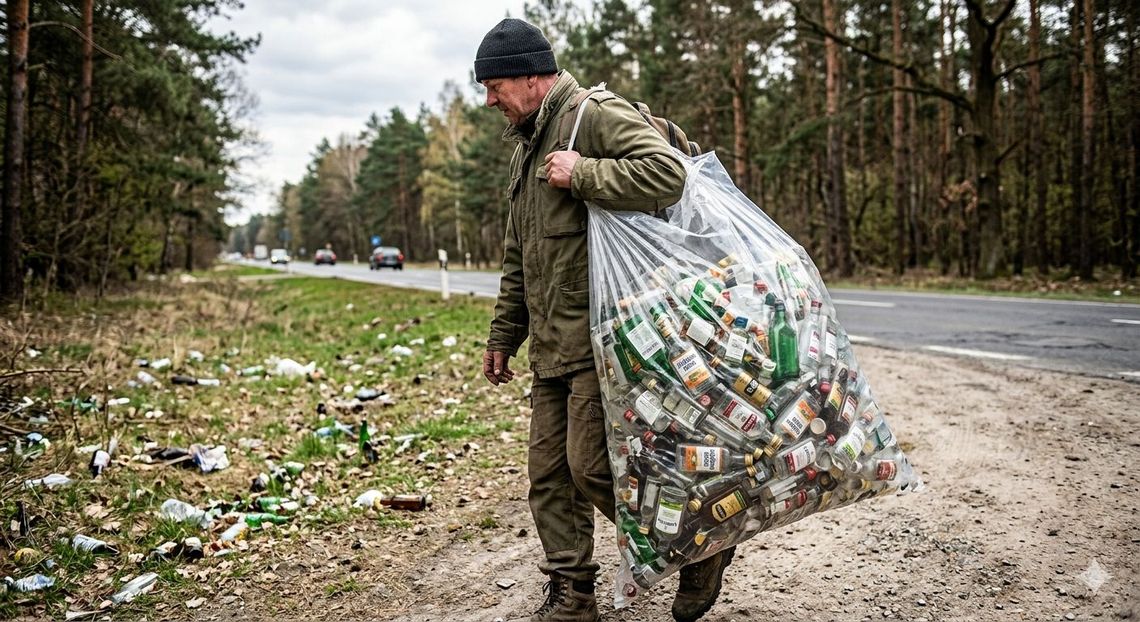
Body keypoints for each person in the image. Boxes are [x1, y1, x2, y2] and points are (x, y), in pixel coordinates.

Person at [476, 18, 736, 622]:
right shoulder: (526, 147)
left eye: (495, 86)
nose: (489, 100)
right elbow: (522, 252)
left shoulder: (592, 115)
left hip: (606, 338)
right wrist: (503, 335)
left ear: (533, 76)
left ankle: (699, 543)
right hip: (550, 343)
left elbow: (668, 174)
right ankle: (573, 597)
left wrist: (585, 173)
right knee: (548, 477)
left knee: (591, 467)